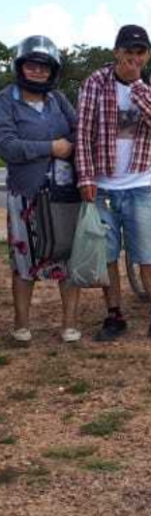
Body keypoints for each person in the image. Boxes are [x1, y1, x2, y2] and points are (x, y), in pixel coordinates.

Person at [75, 25, 151, 342]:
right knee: (107, 253)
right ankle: (114, 314)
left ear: (147, 55)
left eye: (140, 52)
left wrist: (136, 85)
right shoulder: (95, 82)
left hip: (138, 183)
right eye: (128, 52)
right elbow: (82, 132)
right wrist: (85, 176)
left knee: (149, 253)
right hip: (103, 184)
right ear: (116, 52)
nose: (134, 58)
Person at [0, 36, 81, 343]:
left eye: (43, 67)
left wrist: (70, 148)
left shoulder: (58, 100)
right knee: (24, 261)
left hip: (62, 192)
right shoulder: (7, 99)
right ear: (20, 66)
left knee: (67, 256)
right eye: (31, 65)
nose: (37, 71)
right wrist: (51, 147)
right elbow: (7, 145)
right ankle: (21, 325)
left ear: (52, 71)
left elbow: (77, 130)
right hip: (26, 193)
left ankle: (69, 324)